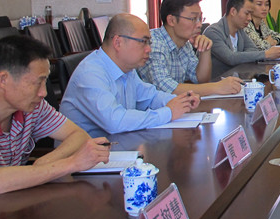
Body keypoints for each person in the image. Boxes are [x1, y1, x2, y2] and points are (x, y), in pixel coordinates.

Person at [0, 35, 111, 211]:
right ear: (3, 80)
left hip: (7, 208)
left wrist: (45, 162)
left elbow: (78, 135)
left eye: (45, 82)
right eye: (37, 83)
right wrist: (72, 163)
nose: (43, 92)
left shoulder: (30, 106)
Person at [60, 13, 200, 138]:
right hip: (84, 155)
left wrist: (182, 101)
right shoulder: (90, 74)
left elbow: (150, 97)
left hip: (117, 146)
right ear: (118, 42)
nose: (149, 49)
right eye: (143, 42)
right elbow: (115, 121)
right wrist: (168, 112)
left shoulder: (126, 68)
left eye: (149, 42)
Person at [137, 0, 242, 96]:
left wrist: (205, 50)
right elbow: (165, 88)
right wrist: (217, 87)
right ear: (171, 20)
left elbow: (200, 79)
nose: (199, 25)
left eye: (200, 19)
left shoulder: (185, 44)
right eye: (193, 19)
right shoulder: (154, 43)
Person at [204, 0, 280, 78]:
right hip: (218, 82)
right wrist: (266, 54)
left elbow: (253, 50)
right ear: (233, 11)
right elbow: (230, 58)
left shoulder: (239, 30)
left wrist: (240, 56)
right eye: (247, 13)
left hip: (238, 80)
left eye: (251, 14)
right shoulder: (213, 32)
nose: (250, 18)